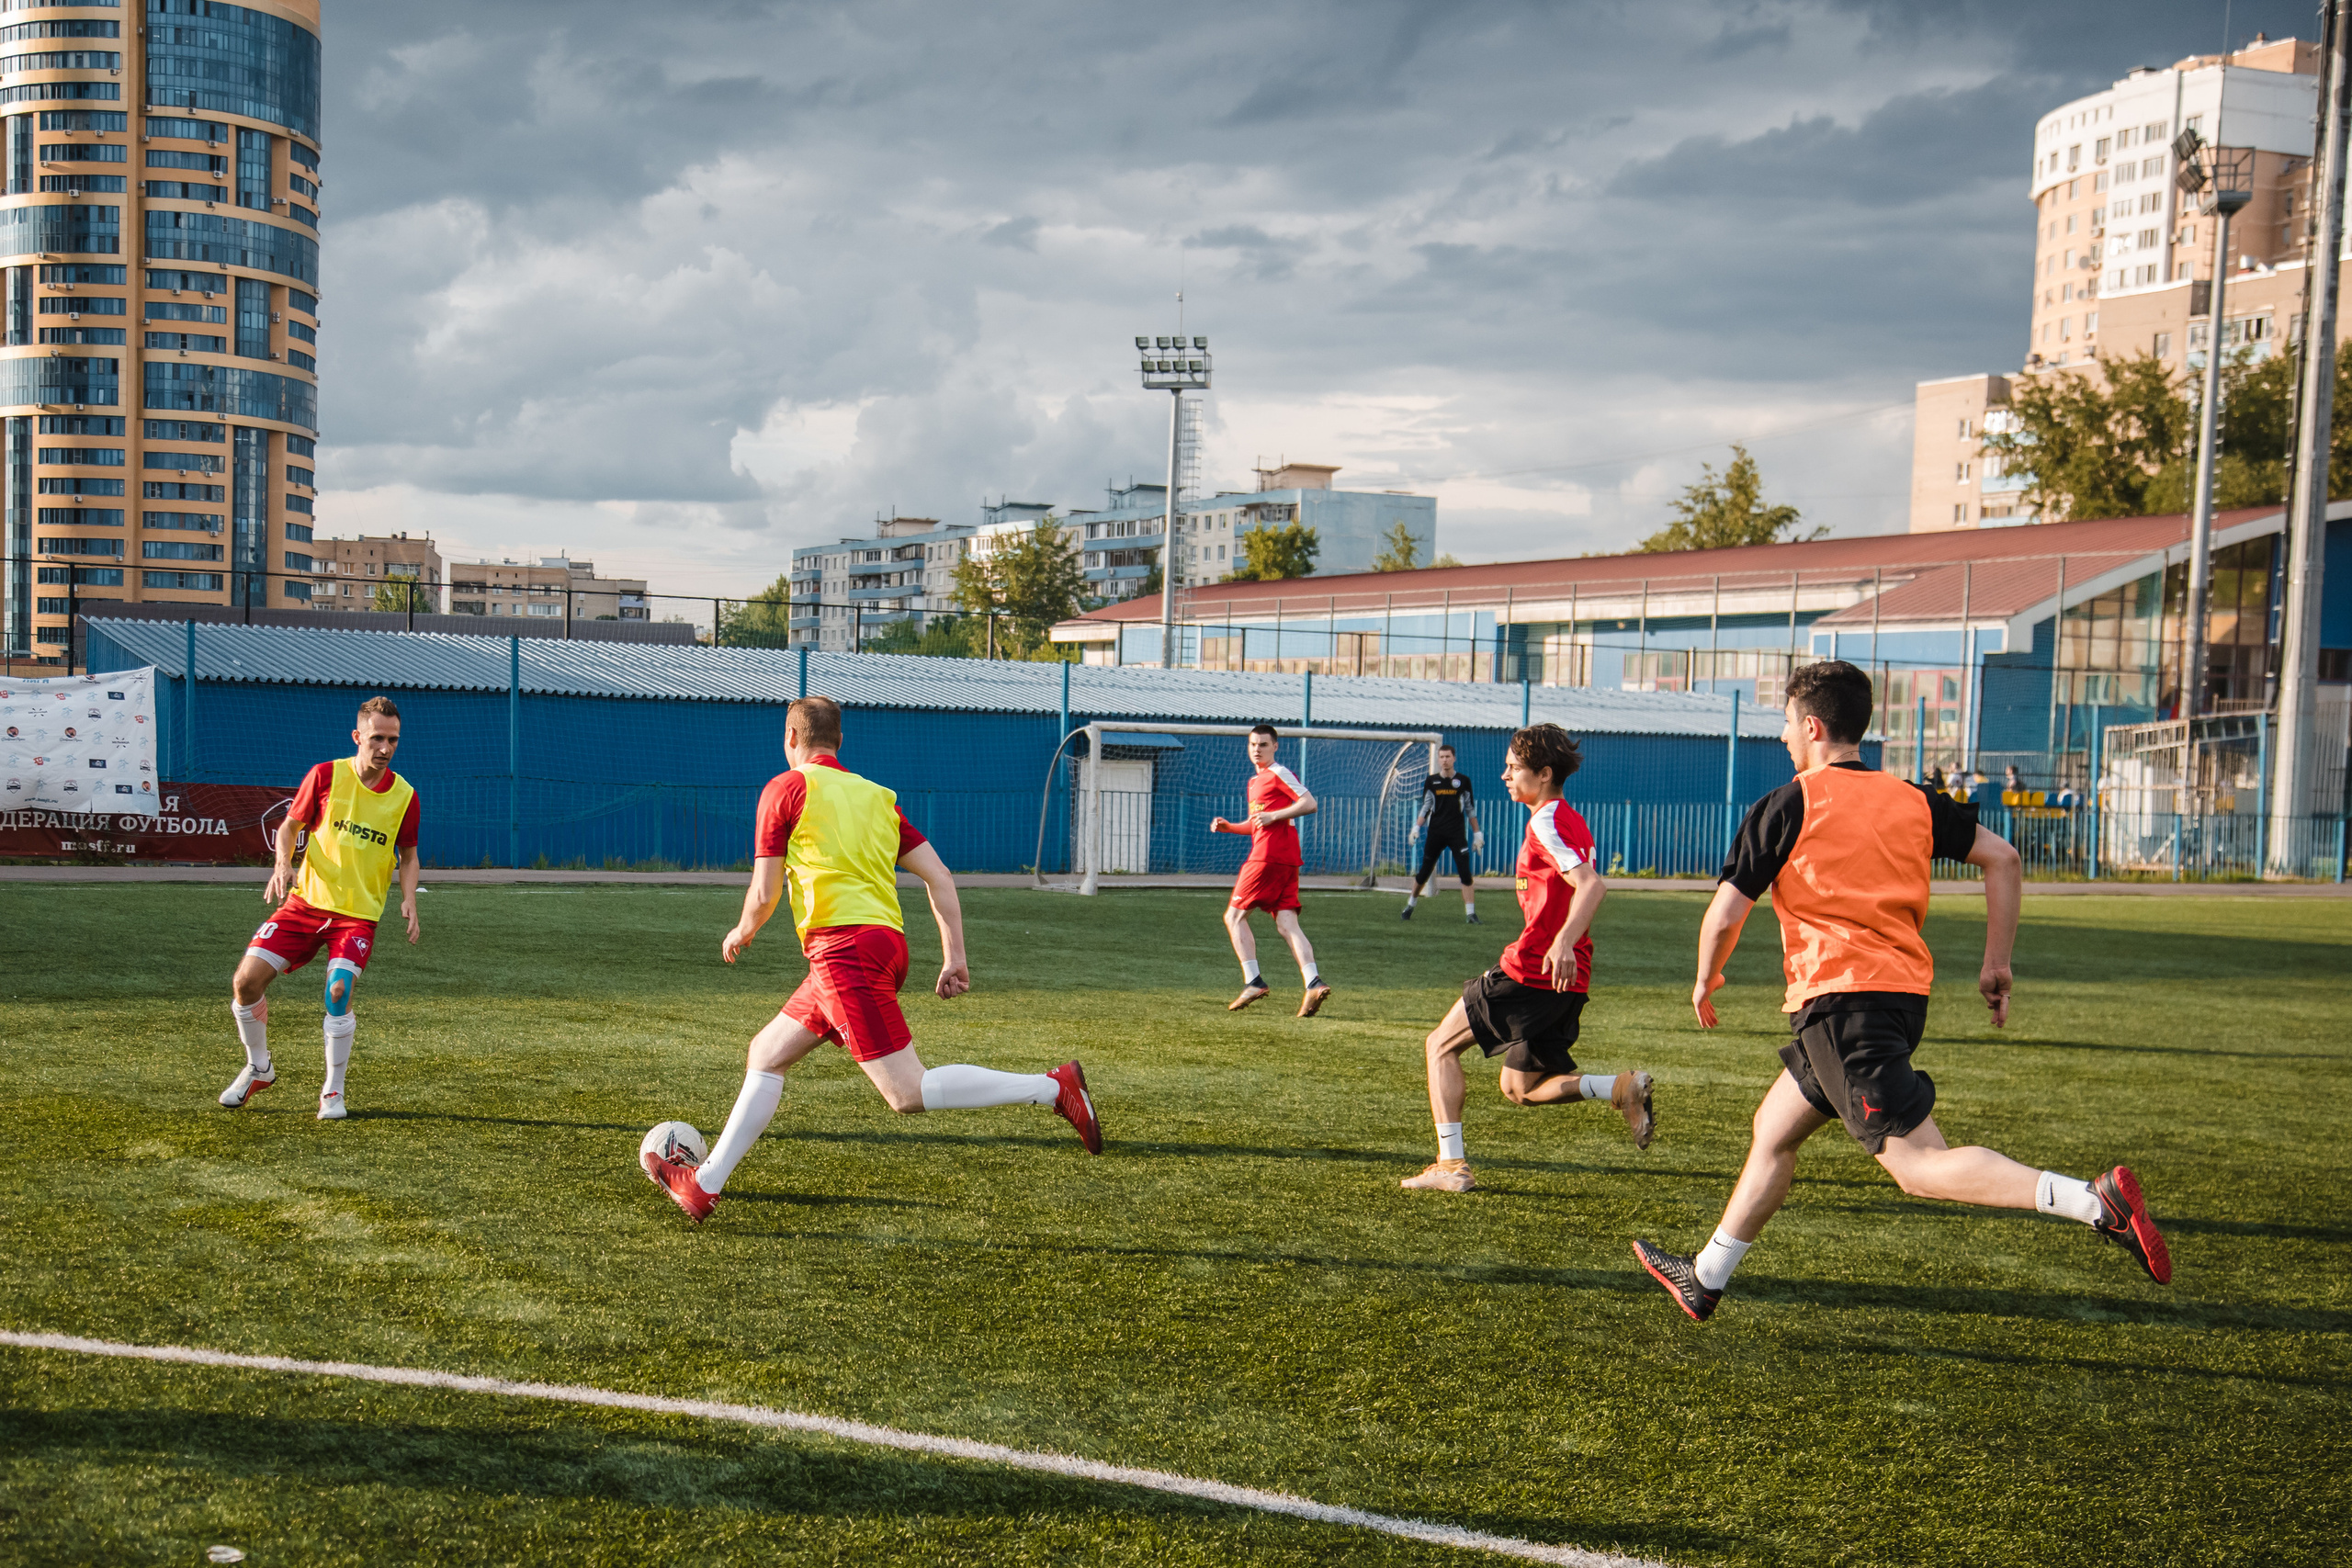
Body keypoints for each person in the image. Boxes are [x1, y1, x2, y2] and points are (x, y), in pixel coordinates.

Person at [1632, 660, 2169, 1322]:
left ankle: (2093, 1201)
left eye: (1785, 725)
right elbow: (2003, 857)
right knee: (1773, 1128)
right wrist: (1996, 962)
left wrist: (1706, 975)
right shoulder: (1912, 798)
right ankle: (1706, 1276)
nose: (1782, 738)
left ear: (1812, 725)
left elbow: (1725, 912)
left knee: (1918, 1165)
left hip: (1841, 1003)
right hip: (1896, 998)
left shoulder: (1789, 802)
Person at [645, 695, 1101, 1224]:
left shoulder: (785, 788)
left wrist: (743, 930)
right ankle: (704, 1185)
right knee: (766, 1053)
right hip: (883, 947)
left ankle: (1053, 1087)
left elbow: (764, 891)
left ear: (791, 739)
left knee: (907, 1092)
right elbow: (941, 876)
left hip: (844, 953)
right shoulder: (878, 797)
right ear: (840, 743)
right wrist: (955, 955)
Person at [1401, 723, 1654, 1193]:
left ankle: (1450, 1166)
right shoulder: (1570, 818)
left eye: (1514, 768)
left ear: (1543, 773)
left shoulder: (1545, 821)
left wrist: (1560, 942)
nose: (1504, 775)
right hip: (1568, 980)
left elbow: (1592, 885)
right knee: (1519, 1087)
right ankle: (1619, 1087)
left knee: (1439, 1045)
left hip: (1535, 968)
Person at [219, 694, 421, 1121]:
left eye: (394, 740)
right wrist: (283, 865)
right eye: (377, 738)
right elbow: (289, 827)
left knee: (338, 991)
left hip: (356, 917)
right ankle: (259, 1067)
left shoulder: (405, 796)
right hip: (304, 906)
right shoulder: (325, 775)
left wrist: (408, 898)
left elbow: (409, 854)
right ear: (357, 736)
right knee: (245, 984)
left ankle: (332, 1092)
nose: (385, 748)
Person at [1210, 723, 1331, 1017]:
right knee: (1287, 924)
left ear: (1275, 746)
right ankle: (1313, 982)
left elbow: (1309, 803)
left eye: (1263, 744)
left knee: (1234, 916)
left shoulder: (1278, 772)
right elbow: (1257, 823)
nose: (1257, 749)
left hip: (1268, 857)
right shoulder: (1255, 782)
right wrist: (1230, 828)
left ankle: (1253, 981)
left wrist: (1276, 814)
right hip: (1286, 858)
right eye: (1253, 744)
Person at [1400, 744, 1484, 923]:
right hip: (1436, 833)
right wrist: (1416, 828)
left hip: (1456, 834)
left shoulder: (1463, 781)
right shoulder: (1431, 781)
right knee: (1424, 871)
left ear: (1454, 758)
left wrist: (1478, 834)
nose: (1444, 760)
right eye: (1442, 757)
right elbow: (1426, 807)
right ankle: (1410, 905)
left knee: (1465, 872)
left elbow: (1470, 810)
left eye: (1448, 756)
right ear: (1438, 759)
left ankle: (1471, 914)